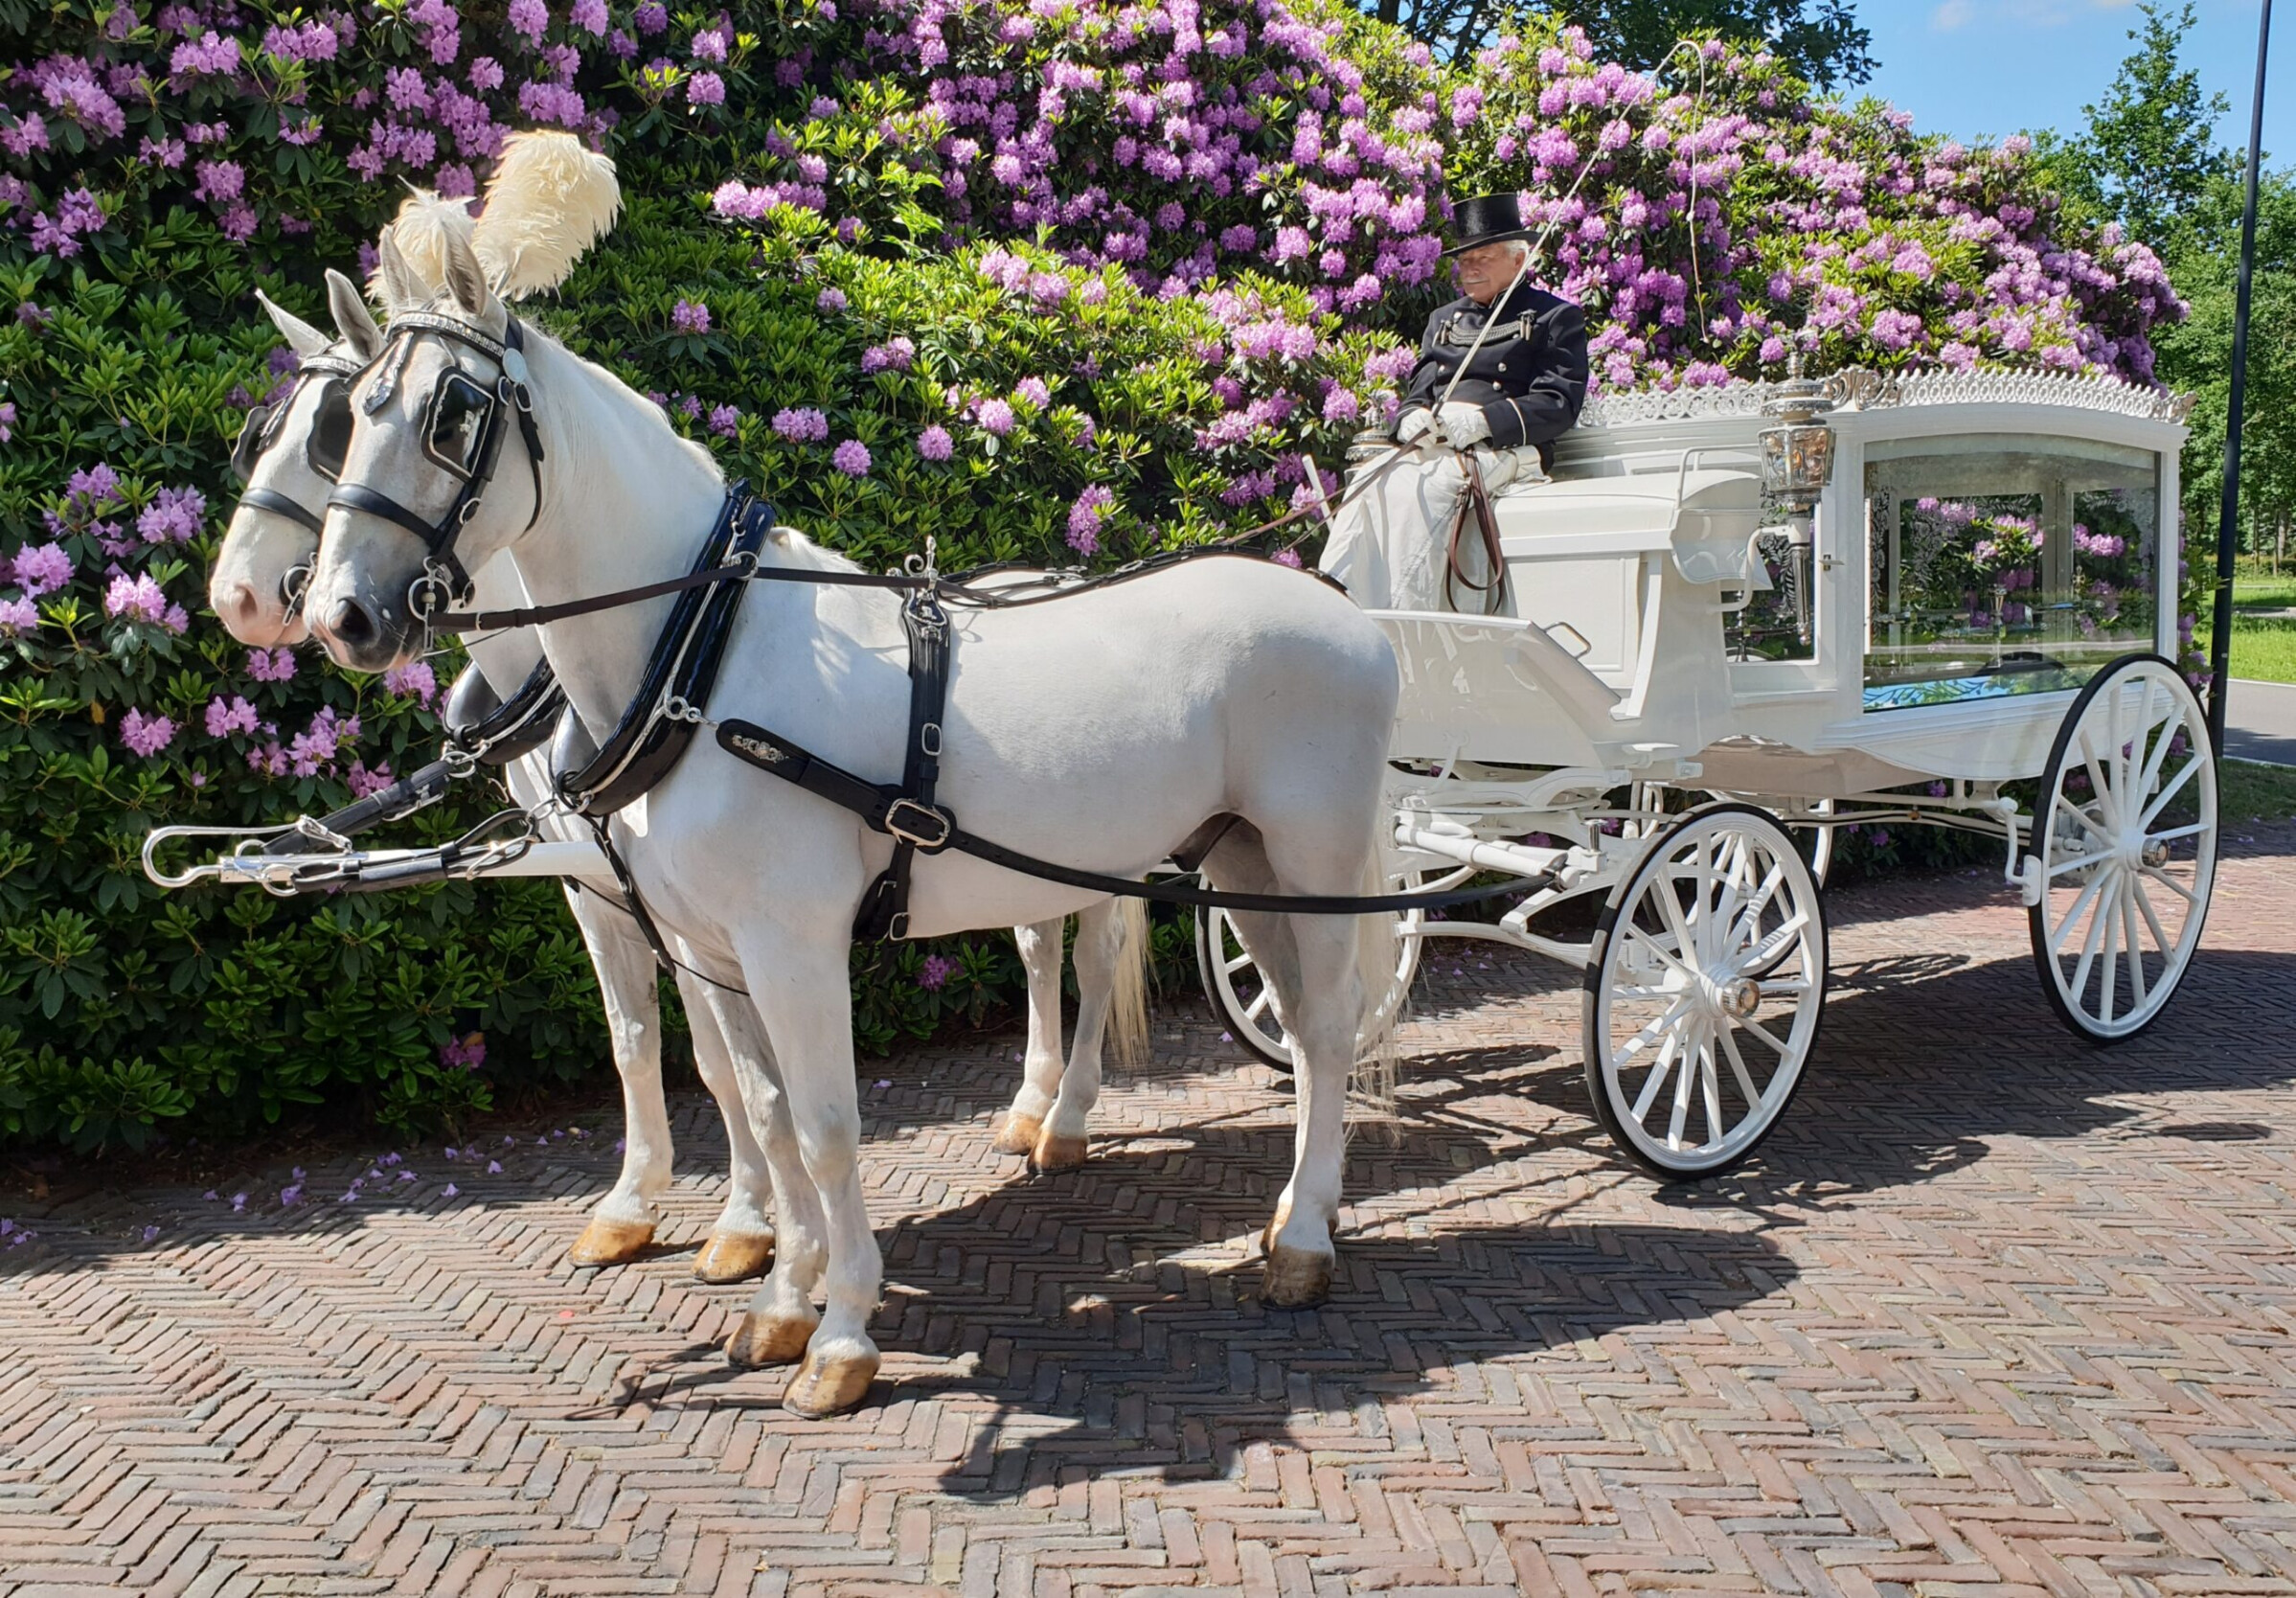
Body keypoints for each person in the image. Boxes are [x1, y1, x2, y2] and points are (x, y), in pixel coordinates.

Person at [1318, 194, 1590, 612]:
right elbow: (1419, 391)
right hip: (1436, 440)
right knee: (1370, 479)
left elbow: (1559, 402)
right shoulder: (1443, 320)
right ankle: (1341, 602)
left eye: (1484, 257)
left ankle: (1417, 610)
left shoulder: (1555, 317)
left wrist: (1484, 423)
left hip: (1503, 445)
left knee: (1431, 490)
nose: (1472, 268)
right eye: (1465, 261)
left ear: (1518, 261)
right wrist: (1411, 419)